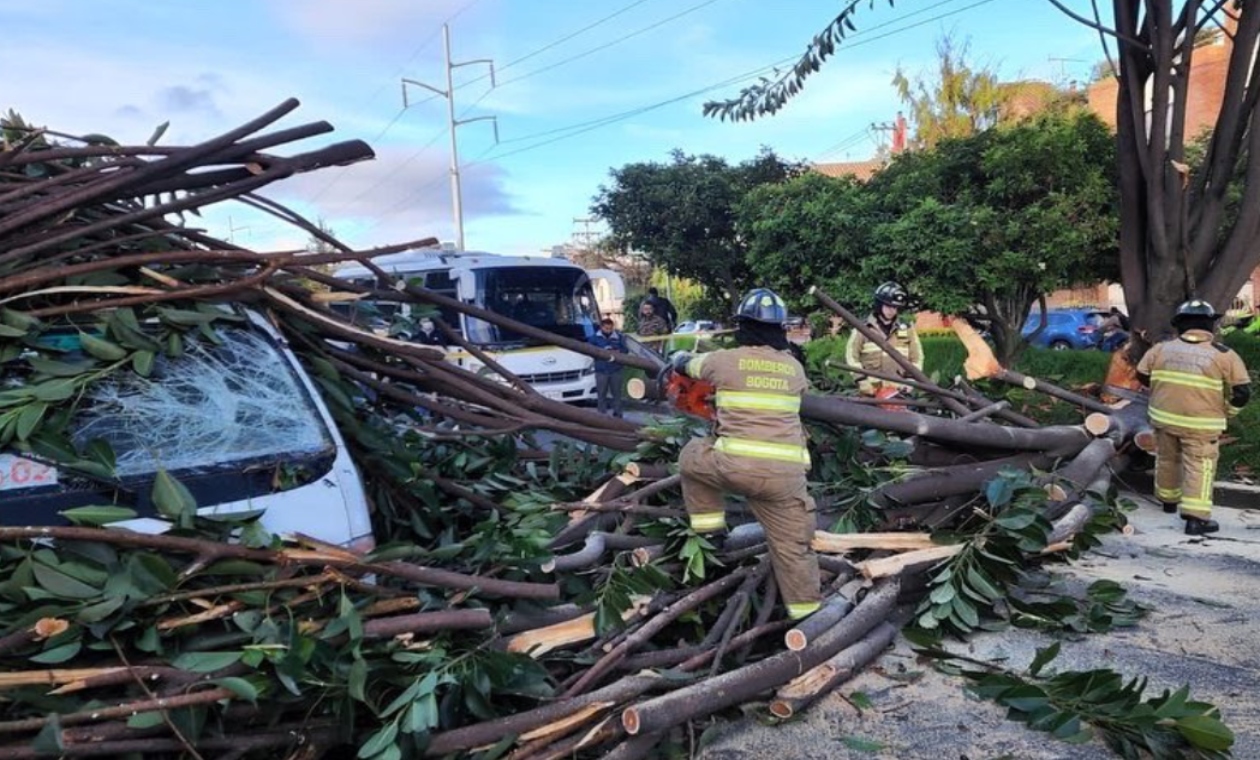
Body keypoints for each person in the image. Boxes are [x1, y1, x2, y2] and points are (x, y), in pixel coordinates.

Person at [668, 287, 821, 621]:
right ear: (780, 329)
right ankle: (808, 620)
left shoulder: (725, 361)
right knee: (794, 550)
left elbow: (686, 363)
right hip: (785, 480)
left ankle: (710, 529)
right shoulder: (794, 368)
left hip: (735, 469)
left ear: (742, 327)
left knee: (692, 454)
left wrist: (675, 361)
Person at [1136, 299, 1251, 535]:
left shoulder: (1161, 349)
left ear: (1179, 325)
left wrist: (1162, 390)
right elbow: (1242, 392)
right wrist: (1229, 411)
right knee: (1200, 467)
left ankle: (1168, 502)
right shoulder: (1224, 355)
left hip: (1164, 418)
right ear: (1209, 326)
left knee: (1167, 460)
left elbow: (1142, 375)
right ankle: (1195, 519)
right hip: (1202, 425)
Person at [844, 281, 923, 396]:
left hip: (899, 392)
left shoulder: (907, 329)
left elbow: (916, 357)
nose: (892, 311)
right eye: (889, 306)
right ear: (879, 304)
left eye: (895, 307)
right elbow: (852, 357)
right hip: (871, 392)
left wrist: (911, 380)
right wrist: (861, 380)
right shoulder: (863, 328)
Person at [587, 318, 627, 417]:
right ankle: (601, 415)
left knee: (617, 393)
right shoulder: (594, 338)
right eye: (606, 328)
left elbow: (625, 350)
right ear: (601, 328)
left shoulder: (619, 337)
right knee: (601, 394)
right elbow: (589, 351)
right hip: (601, 370)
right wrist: (601, 353)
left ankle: (618, 413)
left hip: (616, 369)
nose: (609, 330)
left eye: (610, 328)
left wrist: (618, 351)